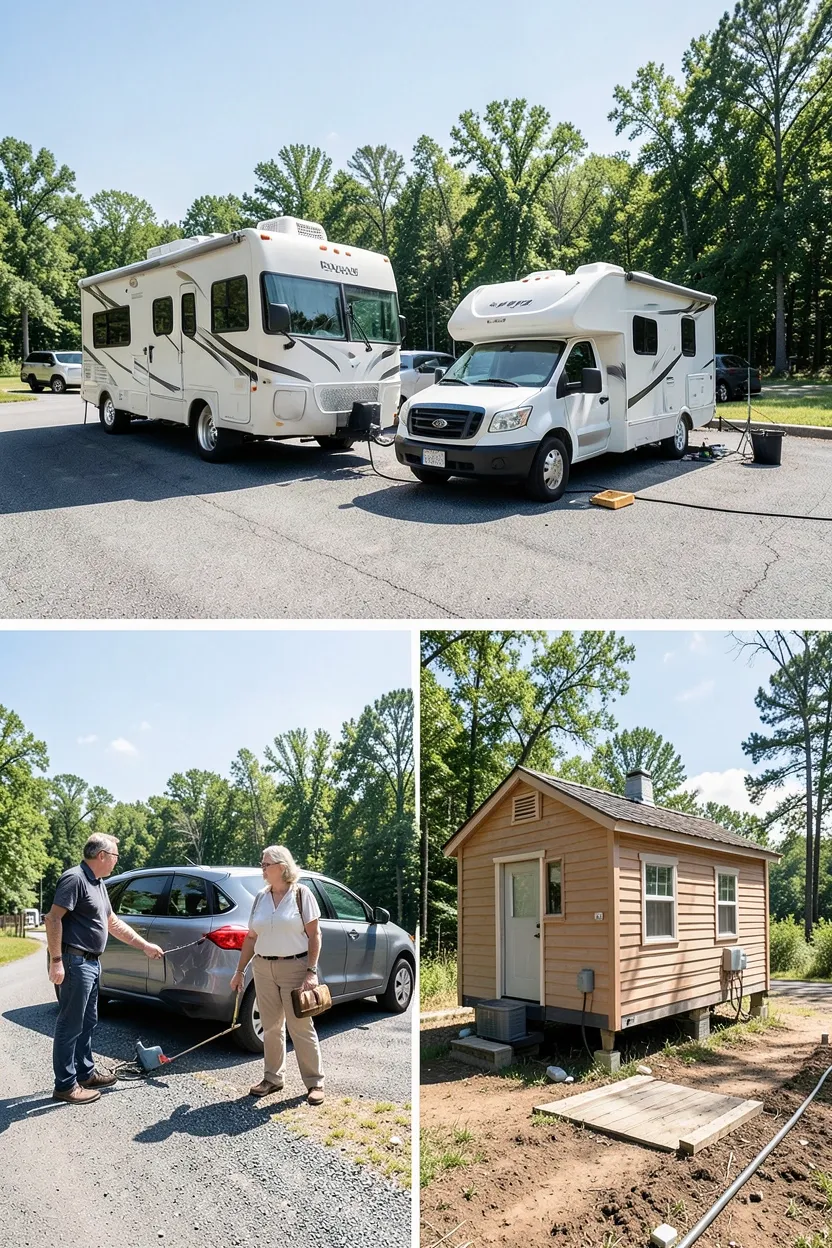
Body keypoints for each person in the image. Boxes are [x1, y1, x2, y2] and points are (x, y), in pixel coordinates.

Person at [45, 834, 164, 1105]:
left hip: (91, 962)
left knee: (87, 1022)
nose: (116, 861)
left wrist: (144, 945)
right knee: (69, 1024)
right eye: (115, 856)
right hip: (75, 962)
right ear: (101, 855)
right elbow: (53, 919)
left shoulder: (97, 883)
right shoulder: (74, 879)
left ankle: (85, 1073)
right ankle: (65, 1085)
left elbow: (112, 922)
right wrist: (56, 961)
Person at [230, 845, 325, 1105]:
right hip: (263, 967)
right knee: (271, 1026)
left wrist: (311, 971)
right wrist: (239, 971)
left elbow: (315, 934)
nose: (262, 868)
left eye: (266, 864)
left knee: (300, 1026)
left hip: (294, 967)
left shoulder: (301, 894)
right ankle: (273, 1078)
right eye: (262, 864)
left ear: (282, 866)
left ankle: (315, 1082)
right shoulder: (261, 897)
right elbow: (251, 937)